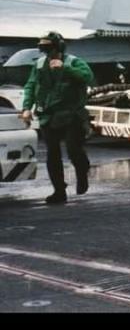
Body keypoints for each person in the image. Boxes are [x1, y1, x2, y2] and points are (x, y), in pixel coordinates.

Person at [20, 31, 95, 205]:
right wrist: (26, 108)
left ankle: (82, 171)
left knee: (73, 149)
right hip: (48, 114)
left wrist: (65, 68)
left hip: (71, 114)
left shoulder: (73, 62)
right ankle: (59, 191)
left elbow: (87, 77)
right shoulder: (39, 64)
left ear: (58, 48)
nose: (48, 53)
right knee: (52, 155)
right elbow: (31, 86)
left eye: (50, 49)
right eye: (45, 49)